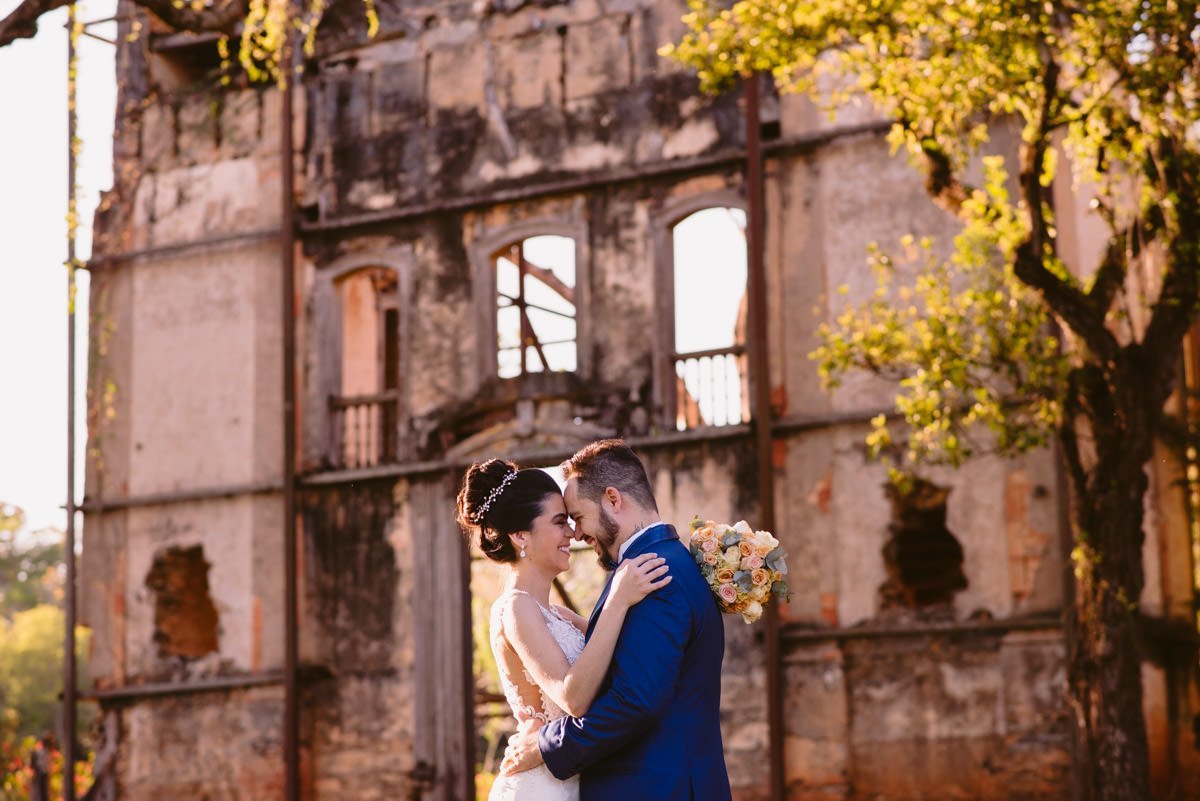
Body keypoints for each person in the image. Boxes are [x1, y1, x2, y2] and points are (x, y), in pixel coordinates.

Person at [500, 439, 733, 801]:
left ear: (613, 499)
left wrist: (545, 745)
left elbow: (633, 702)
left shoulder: (654, 573)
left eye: (578, 517)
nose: (577, 534)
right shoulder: (656, 564)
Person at [456, 457, 672, 801]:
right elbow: (573, 698)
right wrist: (617, 600)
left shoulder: (560, 615)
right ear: (520, 536)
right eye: (559, 522)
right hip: (540, 789)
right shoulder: (515, 607)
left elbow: (619, 661)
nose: (572, 533)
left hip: (576, 779)